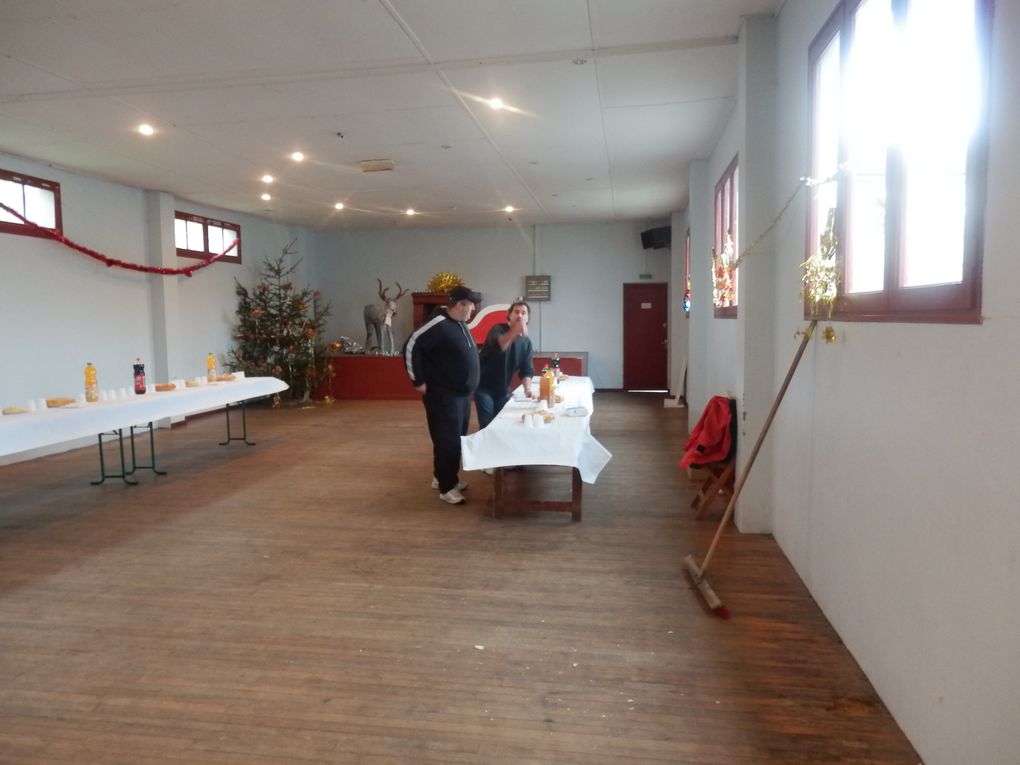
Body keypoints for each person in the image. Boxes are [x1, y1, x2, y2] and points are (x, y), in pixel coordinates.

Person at [404, 285, 481, 505]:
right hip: (443, 395)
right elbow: (410, 346)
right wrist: (418, 382)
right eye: (471, 304)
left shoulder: (459, 324)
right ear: (460, 305)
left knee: (455, 439)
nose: (473, 308)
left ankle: (444, 477)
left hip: (461, 395)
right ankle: (446, 488)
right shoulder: (437, 323)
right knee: (447, 440)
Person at [475, 301, 535, 430]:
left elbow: (526, 369)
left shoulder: (526, 343)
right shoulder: (498, 329)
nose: (519, 315)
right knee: (487, 425)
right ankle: (485, 449)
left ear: (527, 318)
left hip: (503, 390)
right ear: (509, 315)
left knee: (502, 424)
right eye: (516, 312)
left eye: (523, 313)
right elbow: (501, 345)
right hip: (483, 387)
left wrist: (527, 389)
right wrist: (516, 330)